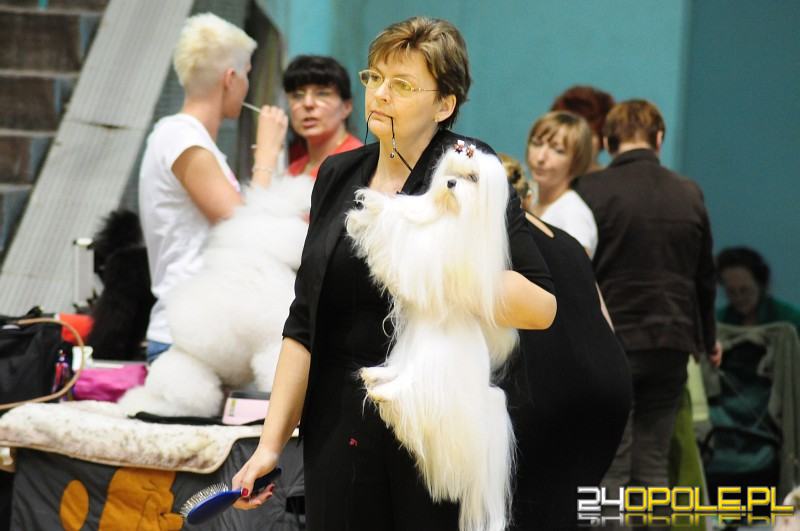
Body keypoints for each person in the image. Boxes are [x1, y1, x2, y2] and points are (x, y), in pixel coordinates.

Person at [232, 16, 557, 530]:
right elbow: (304, 323)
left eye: (402, 85)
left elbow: (540, 306)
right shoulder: (337, 174)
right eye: (375, 78)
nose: (381, 94)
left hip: (430, 428)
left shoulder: (467, 171)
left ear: (444, 104)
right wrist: (270, 445)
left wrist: (437, 263)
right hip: (337, 426)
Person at [574, 100, 721, 505]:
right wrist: (709, 339)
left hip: (611, 342)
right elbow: (704, 275)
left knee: (611, 468)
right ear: (659, 139)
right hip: (673, 341)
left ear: (607, 142)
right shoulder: (689, 192)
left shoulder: (588, 190)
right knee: (653, 464)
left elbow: (575, 271)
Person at [138, 13, 287, 363]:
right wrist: (266, 155)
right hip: (185, 339)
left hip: (199, 334)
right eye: (247, 73)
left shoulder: (186, 138)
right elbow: (245, 234)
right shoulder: (182, 138)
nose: (247, 84)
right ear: (230, 78)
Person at [497, 200, 630, 527]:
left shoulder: (488, 232)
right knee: (574, 510)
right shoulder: (566, 241)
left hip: (550, 389)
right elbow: (606, 323)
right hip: (611, 384)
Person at [527, 110, 598, 257]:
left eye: (558, 150)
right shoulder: (529, 199)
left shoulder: (575, 215)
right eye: (537, 144)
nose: (541, 157)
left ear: (576, 161)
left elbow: (577, 269)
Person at [283, 55, 363, 177]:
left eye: (322, 94)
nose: (308, 103)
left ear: (346, 107)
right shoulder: (293, 170)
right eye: (298, 95)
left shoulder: (359, 162)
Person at [716, 246, 800, 331]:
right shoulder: (718, 321)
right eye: (731, 292)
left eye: (744, 290)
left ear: (760, 285)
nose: (739, 298)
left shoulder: (790, 320)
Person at [551, 85, 615, 173]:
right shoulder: (540, 180)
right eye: (567, 134)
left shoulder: (616, 180)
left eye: (586, 135)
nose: (575, 143)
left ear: (603, 140)